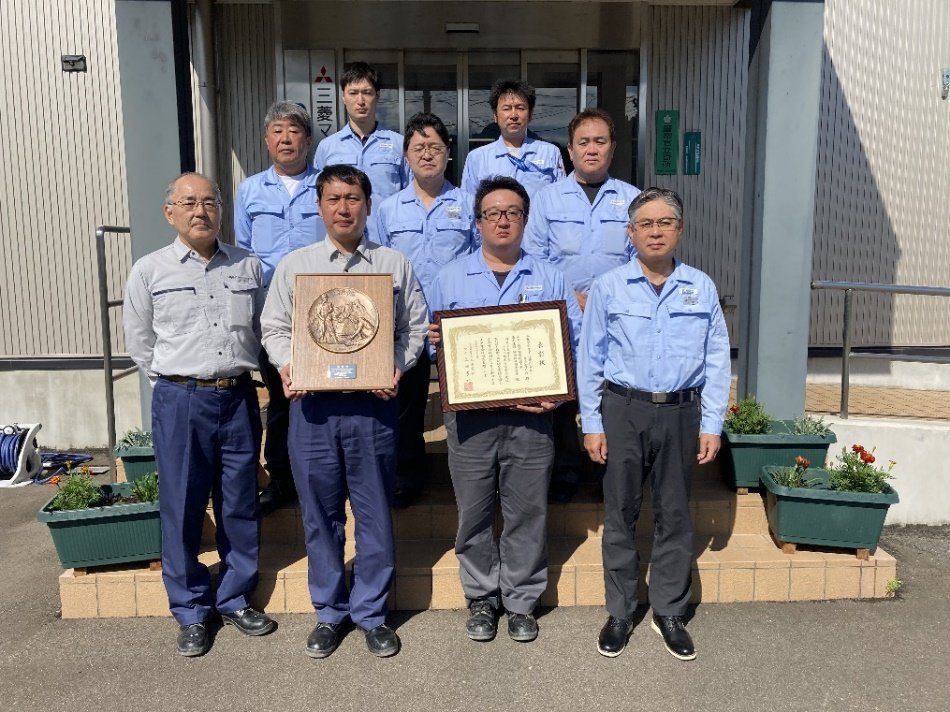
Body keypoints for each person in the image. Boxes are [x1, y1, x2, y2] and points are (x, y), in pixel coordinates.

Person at [261, 164, 428, 659]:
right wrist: (289, 366)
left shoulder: (394, 264)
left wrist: (394, 367)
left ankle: (372, 612)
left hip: (372, 410)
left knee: (375, 513)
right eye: (333, 199)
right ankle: (330, 612)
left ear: (368, 205)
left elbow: (413, 329)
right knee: (320, 515)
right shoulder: (296, 266)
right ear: (319, 206)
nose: (343, 208)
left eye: (353, 198)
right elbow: (272, 328)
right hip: (312, 411)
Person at [123, 172, 276, 657]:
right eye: (189, 203)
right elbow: (141, 344)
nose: (201, 211)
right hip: (180, 398)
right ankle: (190, 609)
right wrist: (176, 384)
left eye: (210, 202)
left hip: (237, 397)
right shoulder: (150, 271)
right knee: (182, 505)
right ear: (170, 212)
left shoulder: (248, 266)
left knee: (239, 500)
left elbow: (264, 327)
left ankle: (234, 596)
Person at [577, 187, 730, 661]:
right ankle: (621, 611)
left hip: (682, 412)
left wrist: (712, 423)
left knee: (675, 514)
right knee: (620, 510)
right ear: (631, 232)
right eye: (647, 224)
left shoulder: (699, 287)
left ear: (679, 230)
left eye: (666, 223)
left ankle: (669, 610)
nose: (656, 231)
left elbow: (717, 357)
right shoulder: (609, 287)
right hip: (624, 410)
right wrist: (592, 421)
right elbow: (591, 357)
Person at [427, 176, 581, 644]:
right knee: (473, 510)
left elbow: (570, 343)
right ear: (477, 222)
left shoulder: (550, 277)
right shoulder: (449, 277)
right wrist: (436, 343)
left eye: (512, 212)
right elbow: (431, 344)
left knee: (527, 509)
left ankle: (520, 600)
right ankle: (481, 597)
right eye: (492, 213)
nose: (502, 220)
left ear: (525, 220)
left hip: (533, 416)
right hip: (470, 420)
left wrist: (557, 393)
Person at [524, 108, 641, 503]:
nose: (592, 150)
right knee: (561, 396)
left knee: (611, 394)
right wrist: (570, 297)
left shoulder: (631, 199)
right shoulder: (546, 199)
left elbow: (637, 258)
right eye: (583, 142)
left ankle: (607, 473)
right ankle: (564, 471)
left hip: (614, 318)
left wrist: (604, 296)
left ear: (612, 148)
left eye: (600, 141)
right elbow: (533, 256)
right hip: (560, 315)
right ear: (570, 151)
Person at [371, 112, 479, 508]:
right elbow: (378, 266)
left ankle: (470, 480)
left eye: (435, 146)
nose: (428, 154)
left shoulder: (469, 205)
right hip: (407, 322)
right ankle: (406, 478)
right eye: (419, 148)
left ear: (449, 153)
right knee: (406, 407)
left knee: (466, 406)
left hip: (458, 323)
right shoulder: (387, 209)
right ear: (406, 156)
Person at [234, 100, 321, 515]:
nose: (286, 139)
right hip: (272, 312)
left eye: (294, 131)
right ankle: (282, 479)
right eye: (278, 131)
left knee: (322, 395)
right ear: (267, 140)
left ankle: (321, 477)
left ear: (308, 139)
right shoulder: (250, 190)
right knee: (282, 397)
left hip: (320, 311)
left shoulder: (325, 187)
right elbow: (245, 256)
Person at [313, 61, 409, 204]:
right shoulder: (327, 147)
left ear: (377, 96)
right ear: (343, 97)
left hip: (386, 226)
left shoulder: (398, 144)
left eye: (367, 92)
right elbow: (319, 197)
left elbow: (410, 193)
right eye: (353, 93)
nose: (360, 101)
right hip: (343, 225)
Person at [460, 79, 565, 199]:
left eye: (520, 108)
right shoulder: (477, 158)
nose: (514, 115)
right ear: (495, 115)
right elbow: (469, 205)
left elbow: (560, 201)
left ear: (530, 115)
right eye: (507, 108)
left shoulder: (550, 153)